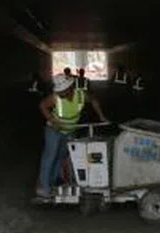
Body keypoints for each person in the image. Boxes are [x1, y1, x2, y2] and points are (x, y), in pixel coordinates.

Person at [34, 68, 108, 200]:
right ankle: (43, 187)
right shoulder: (55, 97)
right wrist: (52, 120)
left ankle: (55, 179)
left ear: (71, 87)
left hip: (69, 130)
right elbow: (42, 105)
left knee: (62, 155)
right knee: (50, 155)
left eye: (63, 91)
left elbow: (94, 100)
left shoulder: (81, 95)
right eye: (59, 91)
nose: (61, 93)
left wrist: (101, 117)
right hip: (54, 130)